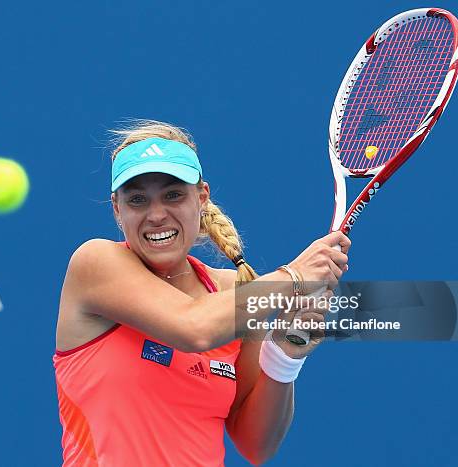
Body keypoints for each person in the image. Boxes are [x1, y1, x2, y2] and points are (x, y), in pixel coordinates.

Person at [53, 120, 350, 466]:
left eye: (173, 194)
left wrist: (285, 353)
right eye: (137, 200)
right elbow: (194, 328)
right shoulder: (95, 263)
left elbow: (257, 445)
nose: (157, 215)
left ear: (202, 197)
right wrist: (294, 275)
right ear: (118, 209)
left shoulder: (231, 294)